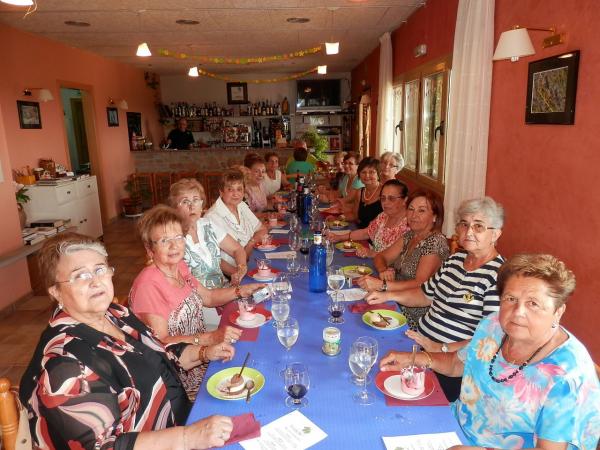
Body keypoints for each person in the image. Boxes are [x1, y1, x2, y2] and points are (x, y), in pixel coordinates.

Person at [20, 232, 235, 449]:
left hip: (178, 420)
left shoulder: (115, 313)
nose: (95, 281)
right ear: (56, 292)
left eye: (100, 269)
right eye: (80, 276)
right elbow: (103, 446)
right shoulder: (63, 364)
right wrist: (188, 438)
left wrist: (204, 352)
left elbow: (156, 353)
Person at [379, 254, 600, 450]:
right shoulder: (493, 325)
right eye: (510, 299)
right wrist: (416, 358)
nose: (517, 312)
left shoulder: (566, 375)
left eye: (533, 303)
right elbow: (458, 364)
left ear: (558, 311)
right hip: (453, 428)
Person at [366, 196, 506, 401]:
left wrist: (441, 348)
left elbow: (488, 339)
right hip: (417, 342)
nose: (469, 232)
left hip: (449, 364)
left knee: (384, 393)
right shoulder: (455, 260)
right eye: (464, 224)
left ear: (495, 234)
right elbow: (425, 294)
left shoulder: (499, 276)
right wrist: (386, 295)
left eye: (479, 227)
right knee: (368, 360)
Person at [129, 206, 263, 398]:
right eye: (164, 241)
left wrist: (241, 290)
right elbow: (161, 343)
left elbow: (207, 297)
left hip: (205, 354)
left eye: (178, 238)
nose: (174, 246)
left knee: (255, 356)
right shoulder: (148, 286)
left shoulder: (180, 267)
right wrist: (209, 338)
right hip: (180, 376)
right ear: (150, 250)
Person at [358, 190, 449, 329]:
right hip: (392, 298)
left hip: (413, 312)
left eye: (422, 211)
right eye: (411, 209)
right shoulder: (410, 235)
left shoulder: (435, 242)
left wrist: (383, 285)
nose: (414, 216)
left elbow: (420, 284)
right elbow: (381, 256)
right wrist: (383, 270)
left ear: (435, 217)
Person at [169, 178, 247, 287]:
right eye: (185, 201)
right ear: (175, 208)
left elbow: (236, 249)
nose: (192, 206)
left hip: (222, 289)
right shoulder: (172, 237)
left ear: (202, 205)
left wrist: (240, 269)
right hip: (198, 298)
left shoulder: (207, 224)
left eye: (196, 200)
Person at [328, 179, 410, 256]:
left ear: (405, 200)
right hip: (374, 262)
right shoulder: (384, 216)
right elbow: (366, 233)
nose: (385, 203)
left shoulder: (408, 225)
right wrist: (338, 237)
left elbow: (397, 259)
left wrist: (371, 253)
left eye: (391, 198)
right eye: (383, 198)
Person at [205, 169, 269, 262]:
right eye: (230, 189)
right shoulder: (212, 217)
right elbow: (218, 258)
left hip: (254, 258)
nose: (235, 194)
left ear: (243, 192)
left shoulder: (241, 205)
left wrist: (250, 244)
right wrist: (247, 253)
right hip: (233, 270)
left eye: (239, 189)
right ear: (221, 192)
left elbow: (262, 229)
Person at [344, 156, 383, 228]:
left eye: (371, 172)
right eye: (363, 172)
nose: (367, 176)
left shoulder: (384, 192)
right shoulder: (360, 192)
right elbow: (355, 216)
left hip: (375, 235)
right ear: (359, 174)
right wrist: (339, 218)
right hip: (360, 231)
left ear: (378, 174)